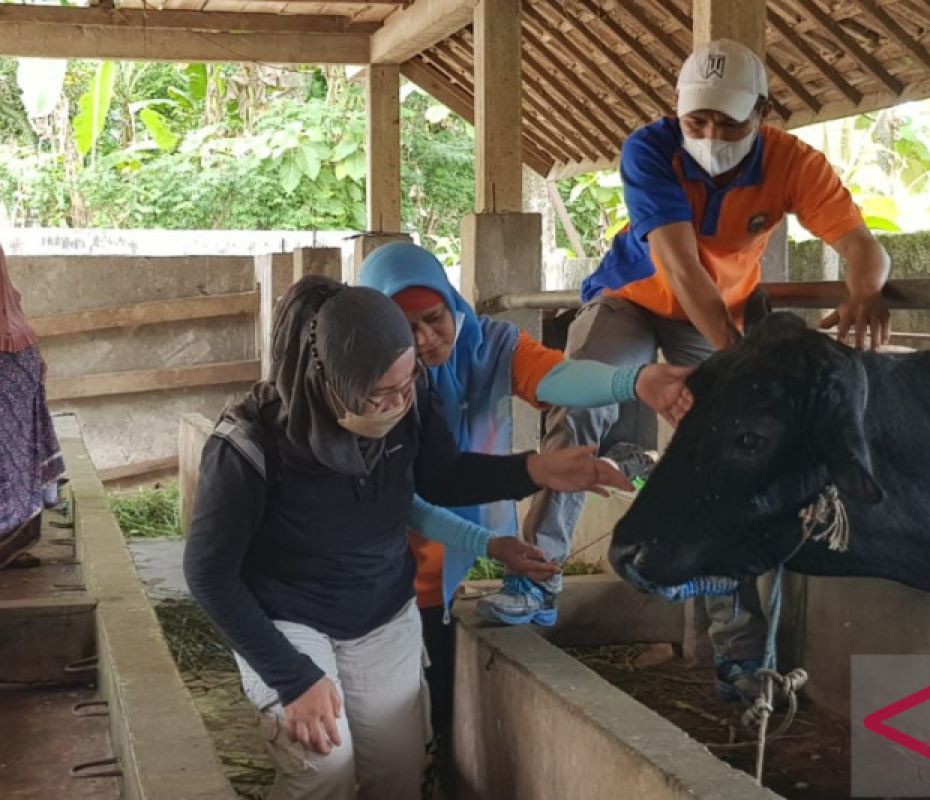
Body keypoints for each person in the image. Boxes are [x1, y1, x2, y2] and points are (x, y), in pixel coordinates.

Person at [477, 38, 892, 704]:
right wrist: (734, 358)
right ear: (677, 111)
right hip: (635, 300)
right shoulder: (650, 150)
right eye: (697, 120)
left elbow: (857, 243)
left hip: (716, 316)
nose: (710, 135)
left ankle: (738, 649)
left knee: (728, 450)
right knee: (583, 403)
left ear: (763, 112)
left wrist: (866, 286)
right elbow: (678, 267)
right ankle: (538, 576)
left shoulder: (793, 162)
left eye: (729, 123)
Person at [183, 275, 629, 799]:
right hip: (287, 616)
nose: (397, 404)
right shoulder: (249, 446)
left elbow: (442, 475)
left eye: (406, 384)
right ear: (330, 383)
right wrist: (292, 678)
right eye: (380, 395)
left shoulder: (411, 399)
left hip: (379, 608)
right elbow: (209, 574)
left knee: (396, 772)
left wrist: (536, 469)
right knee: (324, 768)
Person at [357, 241, 693, 752]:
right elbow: (416, 491)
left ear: (451, 302)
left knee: (429, 683)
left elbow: (560, 378)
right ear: (379, 330)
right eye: (406, 329)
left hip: (445, 538)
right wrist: (533, 477)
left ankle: (433, 755)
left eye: (433, 318)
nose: (426, 340)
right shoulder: (378, 382)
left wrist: (633, 380)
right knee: (385, 701)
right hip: (373, 561)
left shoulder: (488, 344)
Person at [0, 244, 64, 570]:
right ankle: (13, 542)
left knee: (11, 455)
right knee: (17, 454)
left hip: (8, 361)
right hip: (17, 353)